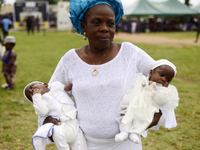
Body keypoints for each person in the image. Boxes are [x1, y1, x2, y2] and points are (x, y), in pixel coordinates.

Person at [39, 0, 175, 149]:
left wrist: (158, 113)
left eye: (110, 24)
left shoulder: (130, 53)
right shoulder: (70, 59)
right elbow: (50, 94)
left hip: (126, 143)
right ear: (83, 26)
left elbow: (163, 77)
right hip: (83, 143)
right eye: (96, 22)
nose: (105, 29)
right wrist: (49, 119)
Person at [115, 59, 179, 144]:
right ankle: (124, 132)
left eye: (168, 80)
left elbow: (161, 100)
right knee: (125, 114)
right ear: (151, 72)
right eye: (161, 75)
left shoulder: (164, 90)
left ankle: (135, 133)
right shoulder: (142, 79)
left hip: (147, 109)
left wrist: (155, 89)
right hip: (134, 103)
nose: (164, 80)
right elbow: (134, 88)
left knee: (143, 120)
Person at [23, 81, 87, 150]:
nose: (32, 90)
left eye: (32, 87)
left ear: (45, 84)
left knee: (80, 146)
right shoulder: (41, 101)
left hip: (75, 124)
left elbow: (66, 92)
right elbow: (43, 112)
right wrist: (36, 97)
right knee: (58, 133)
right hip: (62, 125)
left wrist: (67, 88)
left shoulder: (56, 85)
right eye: (30, 94)